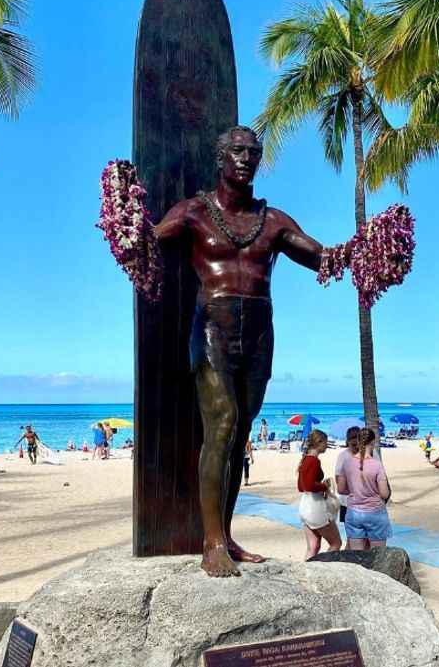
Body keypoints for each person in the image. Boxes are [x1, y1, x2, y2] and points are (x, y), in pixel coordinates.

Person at [154, 126, 353, 577]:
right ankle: (210, 542)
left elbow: (323, 257)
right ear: (220, 157)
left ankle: (224, 535)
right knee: (221, 425)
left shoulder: (274, 220)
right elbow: (149, 241)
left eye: (254, 153)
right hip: (212, 330)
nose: (246, 159)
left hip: (260, 333)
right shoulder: (194, 213)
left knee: (239, 433)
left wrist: (369, 250)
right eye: (237, 151)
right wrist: (121, 213)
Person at [337, 428, 392, 550]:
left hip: (353, 513)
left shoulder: (346, 462)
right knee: (378, 556)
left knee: (357, 556)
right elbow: (384, 493)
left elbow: (341, 489)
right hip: (375, 513)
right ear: (373, 442)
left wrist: (355, 490)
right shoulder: (376, 464)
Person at [297, 429, 341, 560]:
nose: (327, 445)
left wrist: (319, 485)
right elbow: (309, 485)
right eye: (325, 443)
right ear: (319, 442)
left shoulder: (305, 460)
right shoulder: (314, 461)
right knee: (336, 543)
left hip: (305, 505)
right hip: (316, 508)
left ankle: (306, 573)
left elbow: (301, 487)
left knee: (313, 546)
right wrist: (324, 486)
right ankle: (323, 571)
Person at [335, 426, 362, 529]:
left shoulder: (371, 454)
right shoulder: (343, 456)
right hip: (348, 503)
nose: (356, 448)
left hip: (367, 504)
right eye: (353, 445)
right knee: (352, 538)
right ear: (348, 442)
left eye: (359, 444)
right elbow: (338, 480)